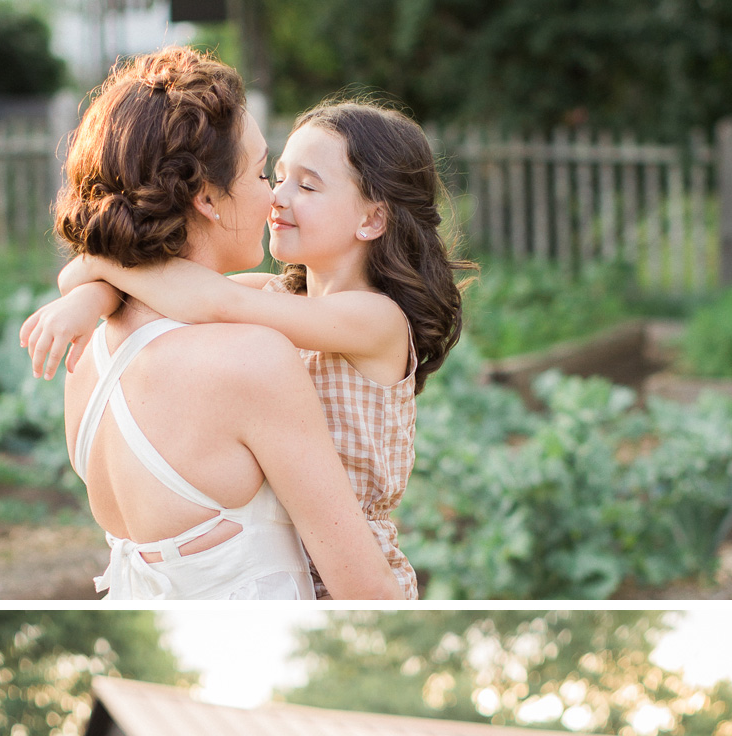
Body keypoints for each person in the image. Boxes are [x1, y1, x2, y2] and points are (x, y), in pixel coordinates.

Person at [27, 99, 464, 600]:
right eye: (276, 176)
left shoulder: (376, 318)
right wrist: (90, 297)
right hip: (290, 551)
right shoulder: (280, 297)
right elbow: (155, 290)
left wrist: (103, 267)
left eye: (307, 186)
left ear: (371, 218)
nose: (277, 197)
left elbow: (211, 299)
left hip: (344, 567)